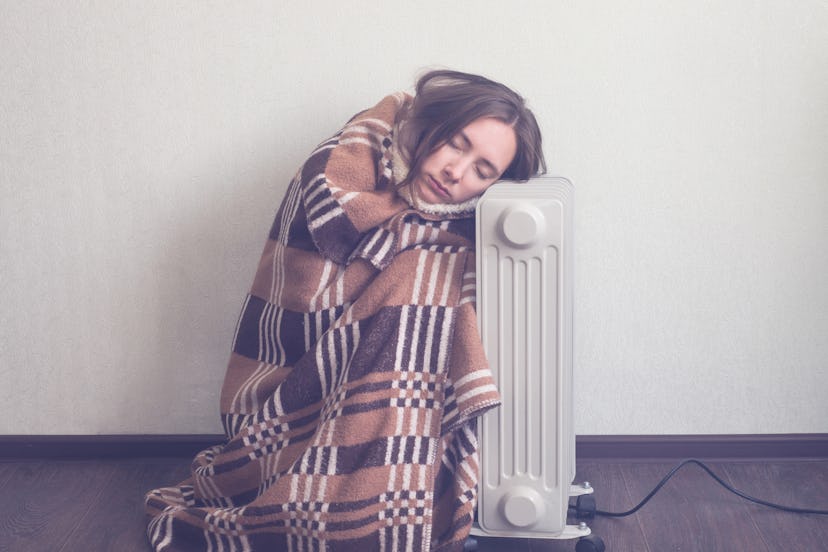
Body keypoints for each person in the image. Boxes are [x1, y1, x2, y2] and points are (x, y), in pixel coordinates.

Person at [145, 69, 546, 552]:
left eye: (483, 171)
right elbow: (325, 251)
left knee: (430, 276)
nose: (456, 172)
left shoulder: (465, 229)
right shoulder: (343, 168)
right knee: (422, 278)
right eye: (456, 144)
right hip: (285, 395)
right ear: (432, 125)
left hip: (369, 394)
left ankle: (390, 478)